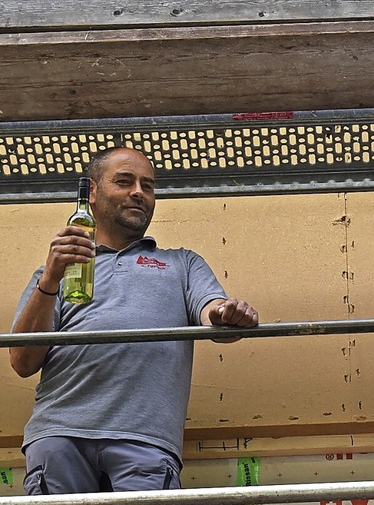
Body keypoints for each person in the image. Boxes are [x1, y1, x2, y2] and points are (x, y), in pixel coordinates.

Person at [10, 146, 259, 495]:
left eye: (148, 185)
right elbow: (22, 362)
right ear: (92, 193)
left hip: (144, 439)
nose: (139, 192)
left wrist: (227, 315)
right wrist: (51, 278)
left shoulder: (182, 264)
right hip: (60, 433)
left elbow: (212, 313)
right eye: (124, 181)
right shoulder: (56, 272)